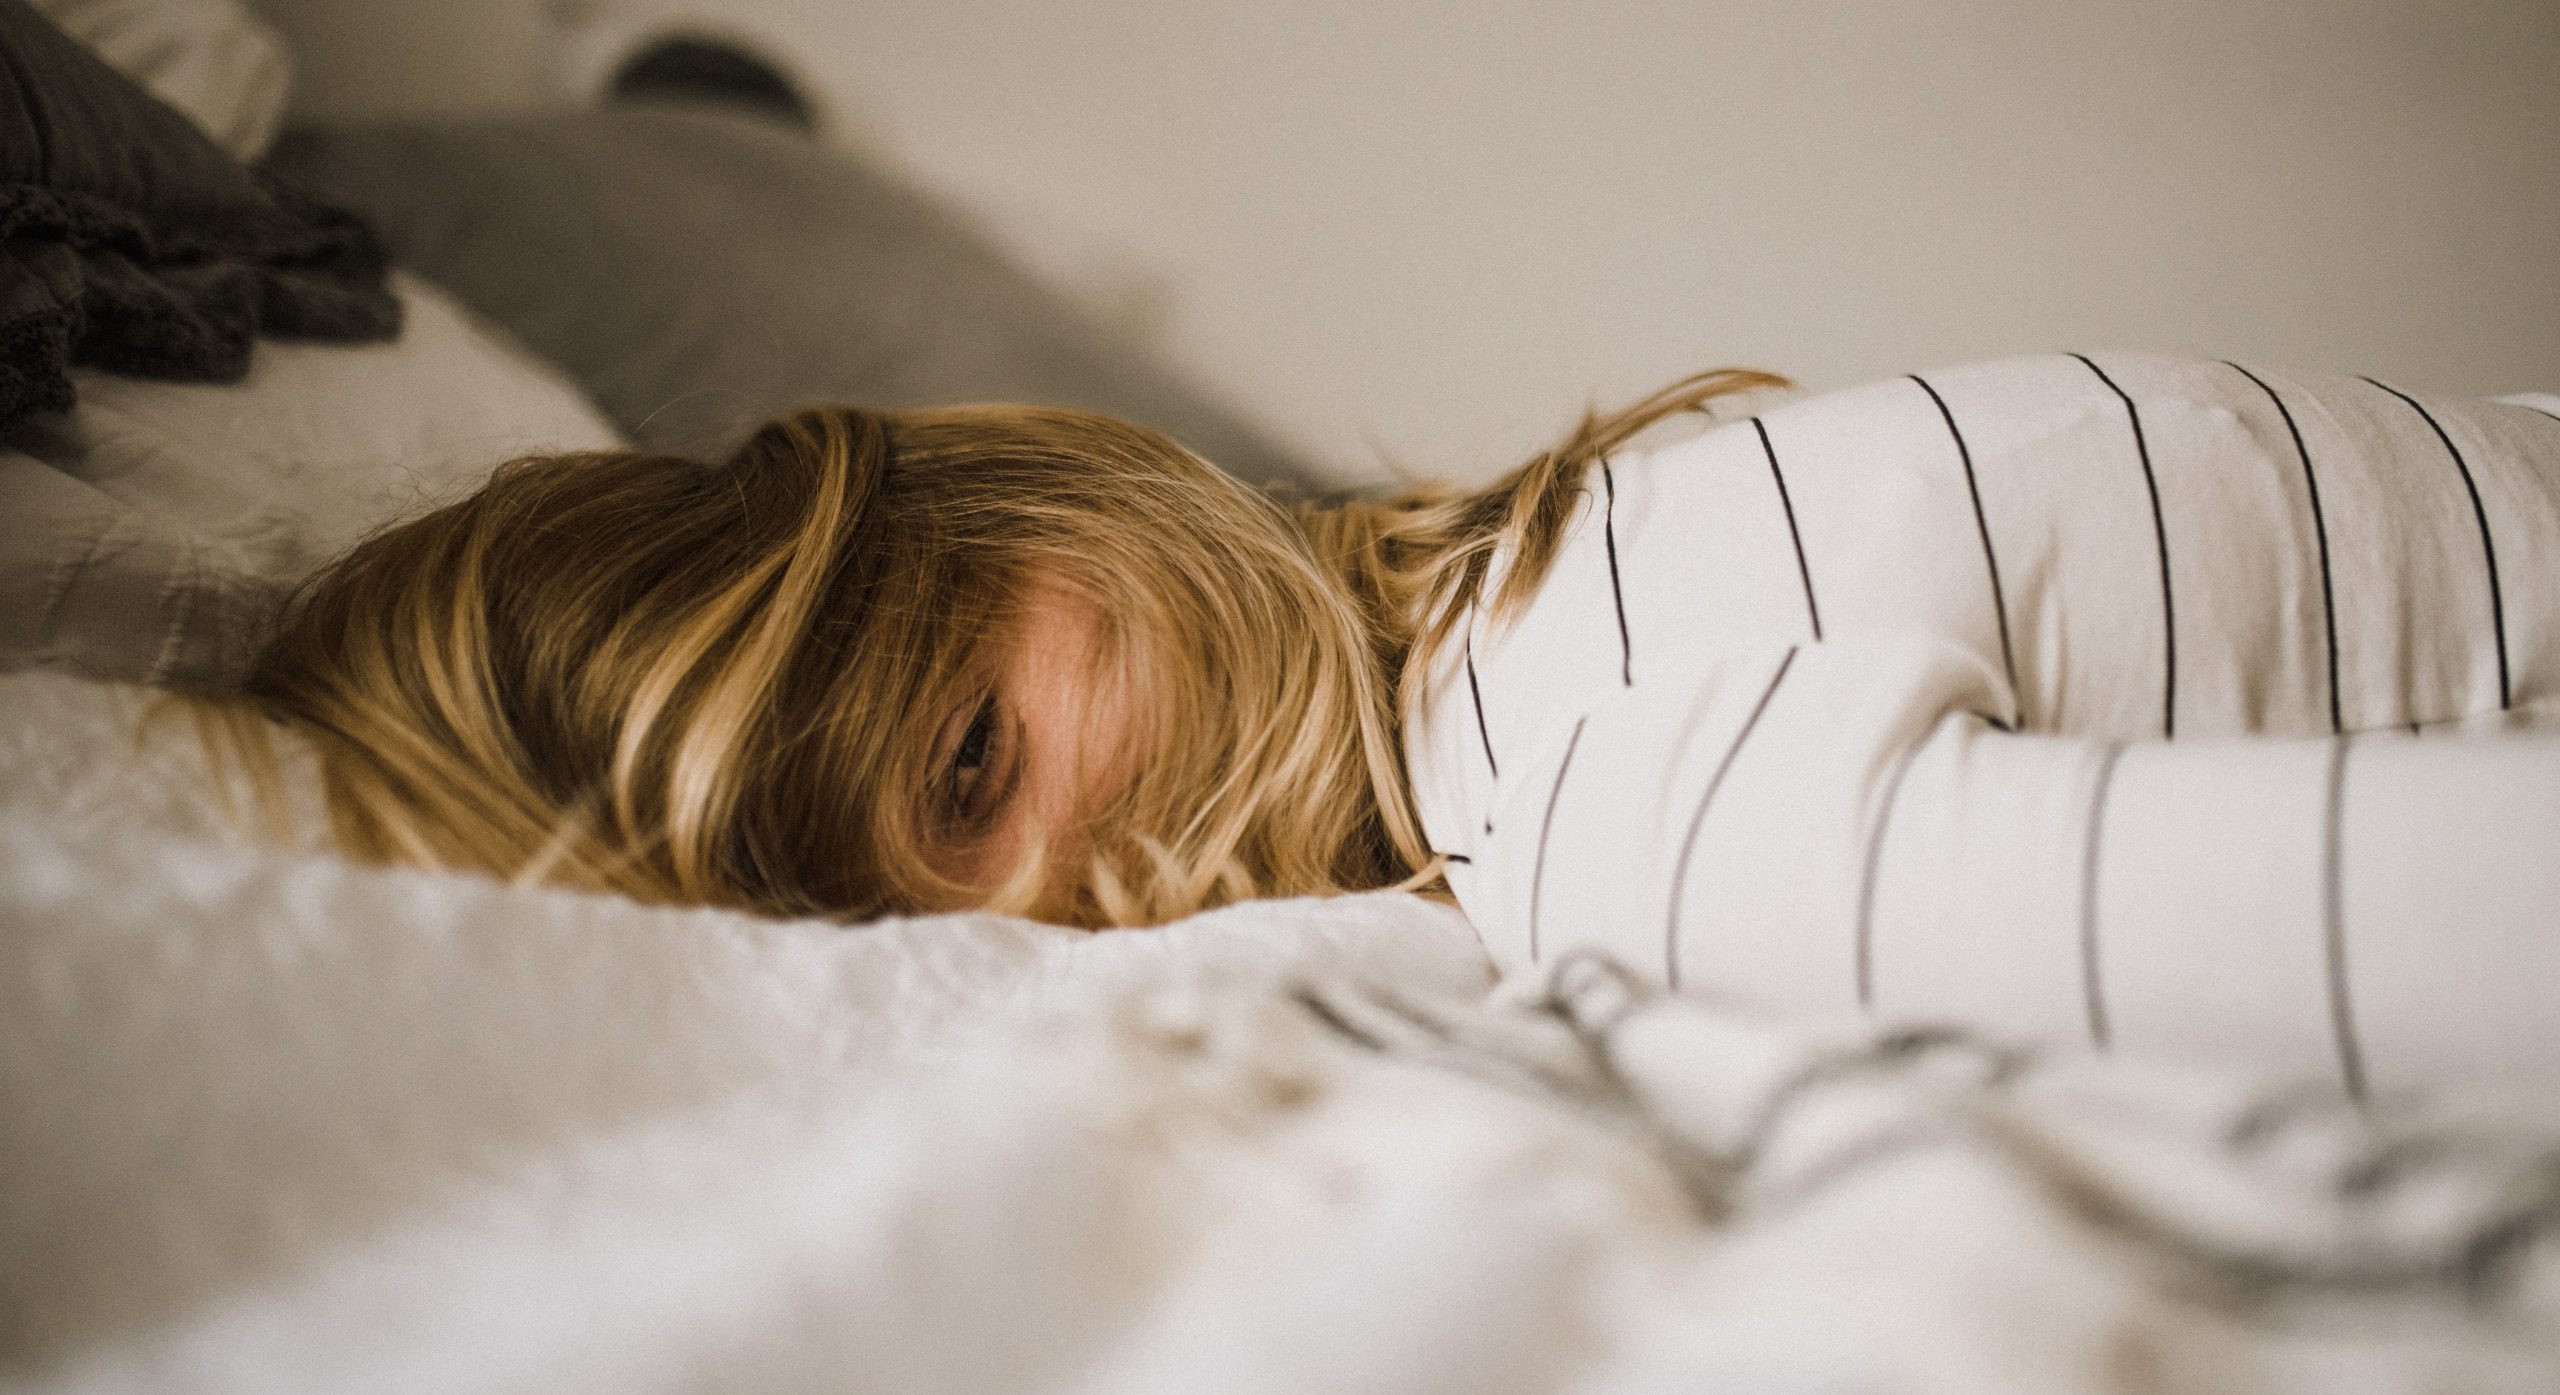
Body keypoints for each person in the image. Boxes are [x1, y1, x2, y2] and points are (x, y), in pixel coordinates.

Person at [195, 355, 2560, 1085]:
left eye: (963, 769)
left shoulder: (1620, 800)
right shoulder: (1565, 569)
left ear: (1045, 488)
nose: (1052, 928)